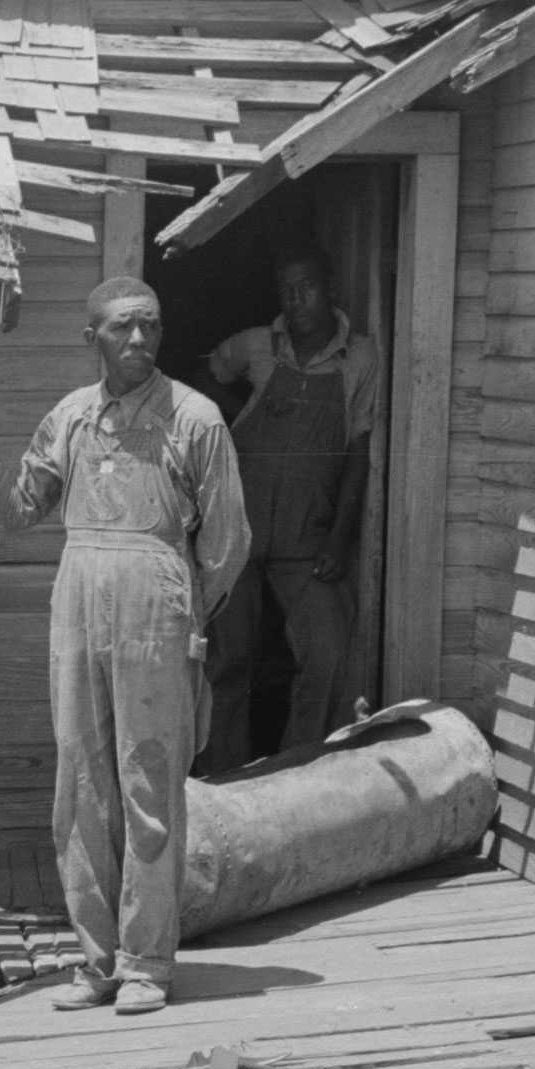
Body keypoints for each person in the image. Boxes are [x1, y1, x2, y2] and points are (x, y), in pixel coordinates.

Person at [0, 276, 248, 1015]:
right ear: (93, 338)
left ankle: (148, 962)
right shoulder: (72, 419)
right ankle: (98, 962)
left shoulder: (196, 419)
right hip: (78, 601)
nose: (139, 341)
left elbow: (227, 540)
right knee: (81, 783)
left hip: (158, 607)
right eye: (122, 328)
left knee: (148, 783)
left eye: (150, 326)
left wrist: (185, 612)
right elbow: (20, 507)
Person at [198, 245, 382, 774]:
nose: (298, 300)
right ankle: (221, 777)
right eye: (287, 290)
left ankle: (300, 770)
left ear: (331, 290)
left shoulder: (361, 358)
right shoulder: (258, 345)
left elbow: (357, 453)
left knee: (327, 650)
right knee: (227, 659)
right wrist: (233, 416)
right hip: (240, 528)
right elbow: (213, 369)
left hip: (309, 535)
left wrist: (338, 538)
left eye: (308, 287)